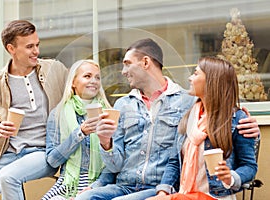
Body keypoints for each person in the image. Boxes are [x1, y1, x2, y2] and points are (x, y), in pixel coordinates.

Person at [74, 38, 260, 200]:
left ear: (145, 62)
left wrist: (253, 131)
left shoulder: (186, 102)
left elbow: (221, 113)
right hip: (127, 185)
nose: (122, 71)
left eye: (127, 63)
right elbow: (117, 164)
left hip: (167, 188)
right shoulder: (124, 105)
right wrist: (106, 143)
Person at [0, 20, 68, 200]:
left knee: (8, 177)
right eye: (29, 47)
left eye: (37, 45)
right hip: (7, 153)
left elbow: (77, 91)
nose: (36, 51)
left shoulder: (54, 70)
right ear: (11, 48)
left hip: (43, 151)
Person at [147, 56, 258, 200]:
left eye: (195, 73)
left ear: (212, 80)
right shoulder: (189, 116)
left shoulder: (237, 119)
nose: (189, 78)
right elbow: (174, 162)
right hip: (185, 194)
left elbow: (249, 166)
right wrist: (163, 192)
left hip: (215, 196)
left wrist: (230, 177)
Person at [41, 59, 112, 200]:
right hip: (68, 183)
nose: (94, 81)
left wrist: (94, 187)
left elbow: (115, 161)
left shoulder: (109, 113)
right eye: (87, 76)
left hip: (100, 183)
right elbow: (53, 161)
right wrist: (80, 134)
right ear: (73, 82)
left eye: (97, 77)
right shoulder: (58, 113)